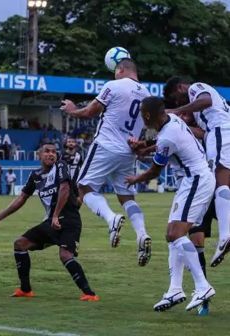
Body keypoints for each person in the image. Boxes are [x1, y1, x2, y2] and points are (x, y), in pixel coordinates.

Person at [126, 97, 216, 311]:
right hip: (195, 179)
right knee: (172, 236)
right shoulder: (172, 120)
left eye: (142, 114)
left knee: (175, 234)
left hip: (196, 180)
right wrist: (146, 148)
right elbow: (163, 145)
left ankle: (202, 286)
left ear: (147, 115)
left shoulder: (168, 136)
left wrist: (134, 180)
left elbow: (155, 171)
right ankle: (175, 289)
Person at [61, 58, 152, 266]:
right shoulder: (148, 95)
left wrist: (72, 109)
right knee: (127, 196)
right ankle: (141, 234)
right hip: (129, 151)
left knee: (84, 187)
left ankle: (111, 219)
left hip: (105, 145)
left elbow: (90, 112)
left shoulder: (113, 85)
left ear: (120, 69)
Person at [0, 143, 99, 301]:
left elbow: (64, 189)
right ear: (39, 155)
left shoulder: (60, 166)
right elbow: (22, 198)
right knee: (20, 244)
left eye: (54, 152)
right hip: (52, 222)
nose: (51, 154)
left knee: (64, 255)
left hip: (69, 221)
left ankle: (89, 294)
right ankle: (25, 289)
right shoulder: (35, 176)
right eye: (47, 151)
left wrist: (56, 215)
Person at [164, 76, 230, 267]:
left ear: (179, 87)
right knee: (223, 185)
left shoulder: (195, 88)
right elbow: (203, 133)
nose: (179, 103)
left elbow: (206, 99)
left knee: (220, 182)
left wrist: (176, 111)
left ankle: (225, 235)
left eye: (176, 98)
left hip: (221, 132)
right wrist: (181, 122)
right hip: (220, 133)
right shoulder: (204, 116)